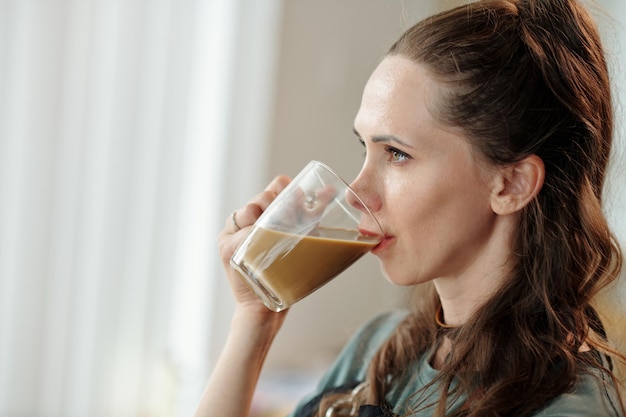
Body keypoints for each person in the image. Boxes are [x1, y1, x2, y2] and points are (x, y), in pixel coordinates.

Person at [195, 0, 626, 415]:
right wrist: (254, 321)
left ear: (510, 184)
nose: (356, 192)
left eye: (397, 154)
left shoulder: (562, 408)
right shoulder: (378, 349)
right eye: (364, 147)